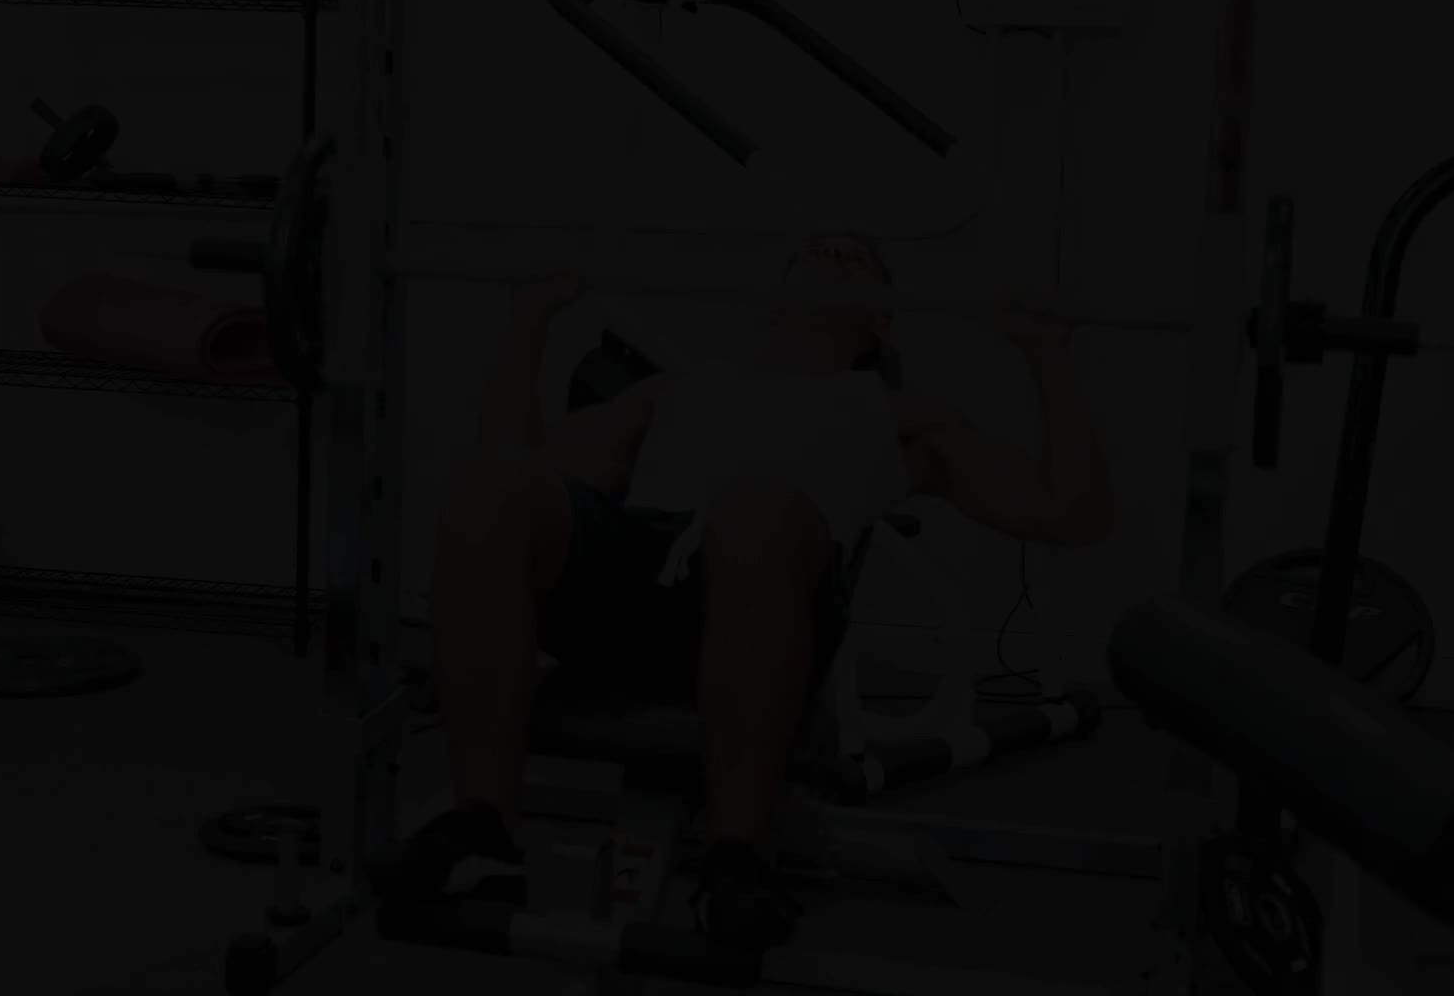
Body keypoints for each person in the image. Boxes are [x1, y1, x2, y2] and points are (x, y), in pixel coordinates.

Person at [378, 231, 1114, 949]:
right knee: (490, 487)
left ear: (882, 321)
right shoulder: (680, 388)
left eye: (855, 258)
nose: (832, 253)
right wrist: (527, 324)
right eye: (816, 250)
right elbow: (511, 480)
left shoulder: (898, 414)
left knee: (752, 512)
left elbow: (1068, 512)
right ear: (775, 297)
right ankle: (483, 831)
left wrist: (1048, 355)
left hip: (773, 594)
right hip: (642, 583)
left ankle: (736, 860)